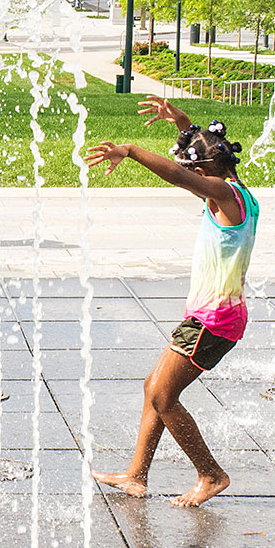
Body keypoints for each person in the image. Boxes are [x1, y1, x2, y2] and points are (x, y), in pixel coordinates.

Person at [84, 97, 257, 507]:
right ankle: (136, 475)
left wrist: (130, 150)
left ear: (204, 173)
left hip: (214, 321)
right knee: (153, 388)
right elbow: (201, 148)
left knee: (163, 395)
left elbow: (180, 174)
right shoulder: (235, 188)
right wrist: (180, 121)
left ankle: (210, 474)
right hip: (211, 316)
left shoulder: (221, 195)